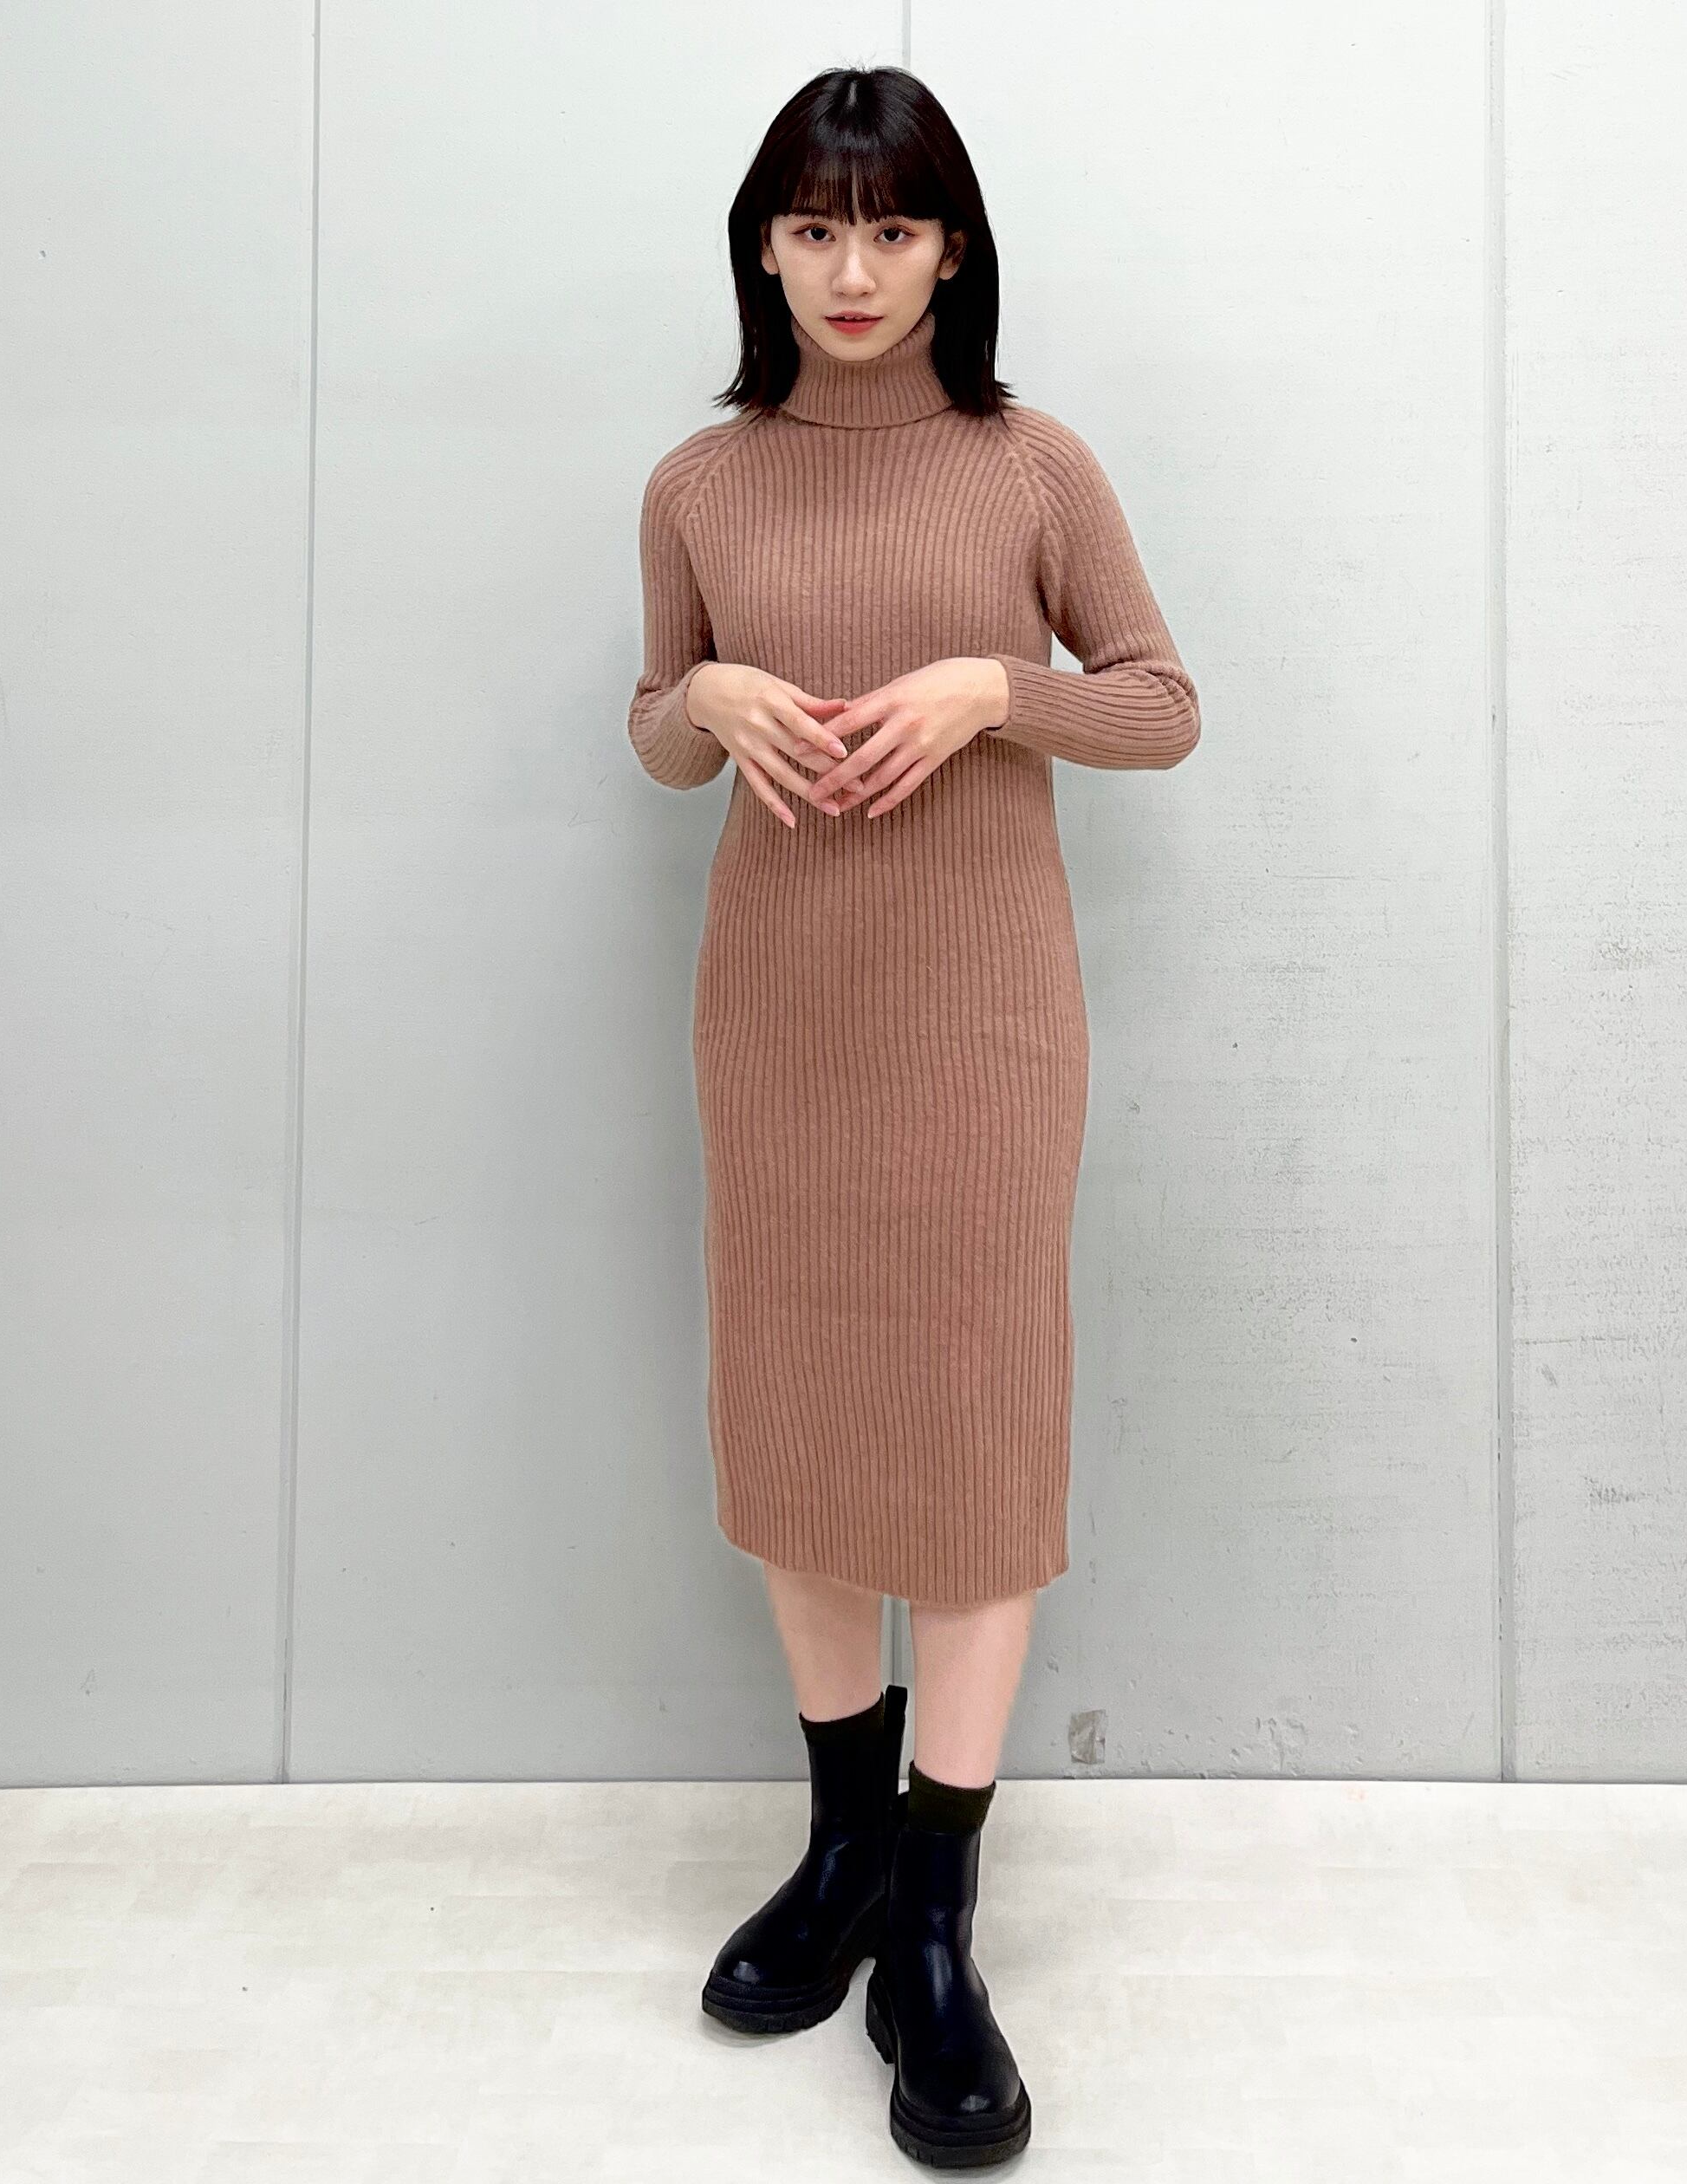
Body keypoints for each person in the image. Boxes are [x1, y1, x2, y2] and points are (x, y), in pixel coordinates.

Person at [626, 64, 1199, 2169]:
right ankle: (842, 1850)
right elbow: (655, 729)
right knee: (796, 1431)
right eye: (814, 229)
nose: (851, 270)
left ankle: (939, 1925)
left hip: (981, 1031)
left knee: (966, 1440)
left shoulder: (1031, 465)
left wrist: (991, 687)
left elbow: (1162, 704)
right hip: (780, 1023)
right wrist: (703, 699)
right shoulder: (701, 484)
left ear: (954, 248)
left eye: (891, 228)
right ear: (762, 250)